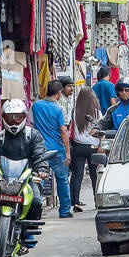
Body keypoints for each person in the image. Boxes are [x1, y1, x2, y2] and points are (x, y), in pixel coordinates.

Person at [0, 100, 51, 248]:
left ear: (24, 117)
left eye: (18, 117)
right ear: (3, 117)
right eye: (10, 117)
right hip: (3, 177)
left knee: (36, 200)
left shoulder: (33, 135)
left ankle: (29, 231)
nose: (14, 121)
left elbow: (39, 154)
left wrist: (42, 170)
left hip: (27, 178)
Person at [32, 80, 73, 218]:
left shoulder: (36, 105)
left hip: (40, 150)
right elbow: (63, 130)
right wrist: (68, 151)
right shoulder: (58, 109)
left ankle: (35, 210)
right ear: (59, 93)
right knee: (62, 180)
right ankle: (65, 211)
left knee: (39, 179)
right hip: (57, 150)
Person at [68, 82, 102, 212]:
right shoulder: (97, 113)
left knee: (77, 174)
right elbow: (100, 130)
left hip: (78, 146)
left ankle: (75, 202)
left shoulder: (75, 112)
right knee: (95, 175)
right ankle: (97, 201)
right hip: (93, 146)